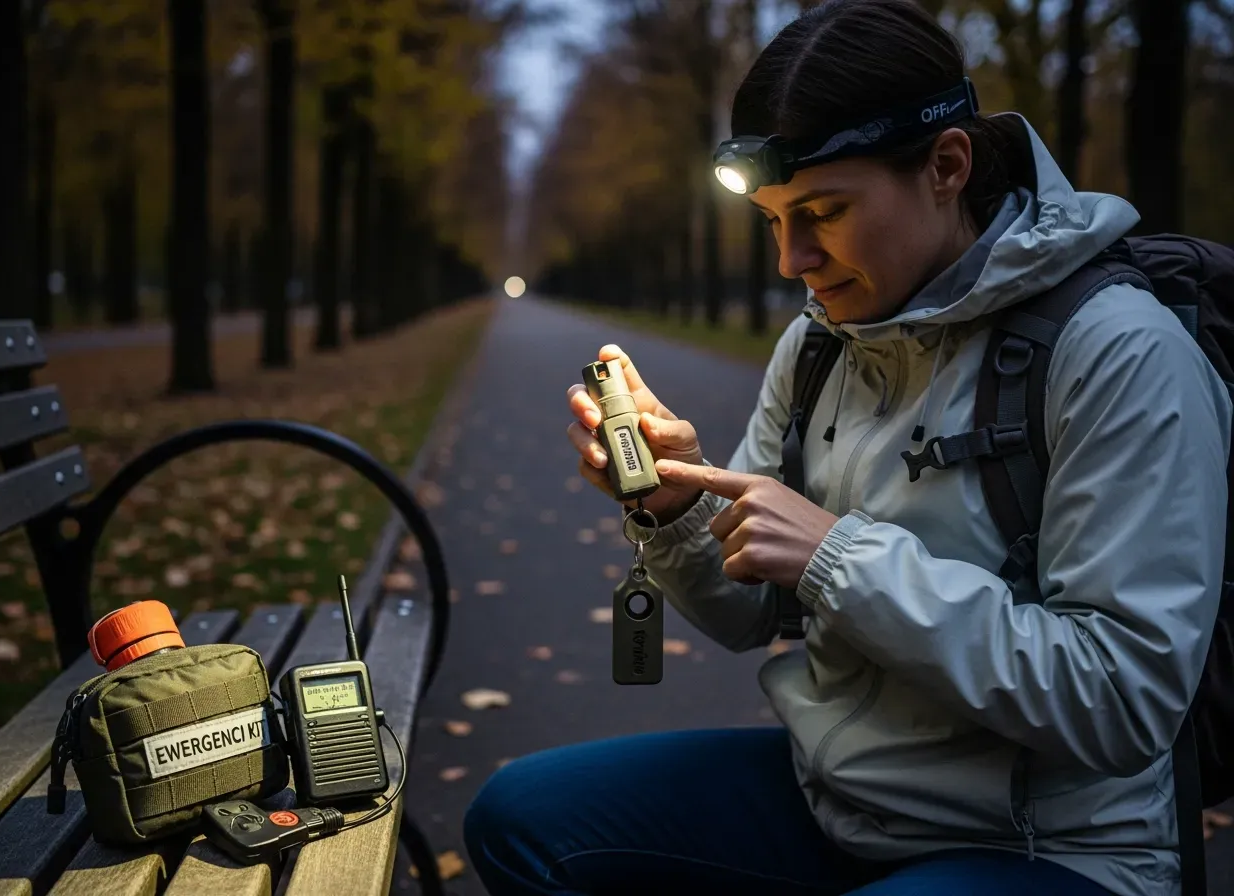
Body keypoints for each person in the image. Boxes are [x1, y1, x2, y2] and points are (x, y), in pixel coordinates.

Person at [461, 1, 1233, 894]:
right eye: (771, 220)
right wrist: (676, 507)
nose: (793, 261)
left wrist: (837, 557)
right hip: (838, 799)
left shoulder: (1117, 350)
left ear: (948, 166)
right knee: (522, 817)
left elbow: (1126, 701)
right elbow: (748, 616)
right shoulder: (822, 340)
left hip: (1050, 849)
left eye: (824, 212)